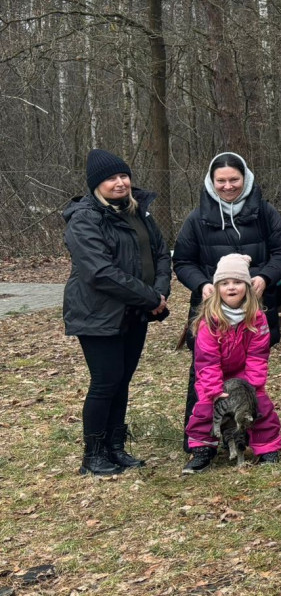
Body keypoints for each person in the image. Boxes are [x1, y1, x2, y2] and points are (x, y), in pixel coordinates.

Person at [173, 152, 281, 451]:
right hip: (212, 309)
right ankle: (200, 443)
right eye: (221, 181)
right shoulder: (197, 218)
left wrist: (266, 276)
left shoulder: (265, 213)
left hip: (253, 308)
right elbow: (183, 261)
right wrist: (202, 284)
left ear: (246, 179)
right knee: (205, 374)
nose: (228, 186)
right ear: (211, 181)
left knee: (251, 375)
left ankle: (249, 437)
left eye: (234, 180)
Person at [63, 149, 171, 475]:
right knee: (105, 381)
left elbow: (160, 253)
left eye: (123, 175)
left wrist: (160, 291)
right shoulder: (84, 219)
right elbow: (100, 272)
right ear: (96, 184)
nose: (120, 182)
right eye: (111, 178)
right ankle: (93, 455)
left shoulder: (138, 212)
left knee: (122, 380)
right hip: (97, 313)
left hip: (134, 312)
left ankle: (115, 447)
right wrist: (150, 297)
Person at [183, 254, 281, 473]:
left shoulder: (257, 318)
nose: (231, 287)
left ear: (247, 287)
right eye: (225, 283)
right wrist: (214, 389)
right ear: (216, 288)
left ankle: (267, 447)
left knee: (261, 407)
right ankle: (202, 450)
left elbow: (258, 355)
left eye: (237, 282)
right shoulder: (209, 320)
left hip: (243, 376)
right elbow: (207, 359)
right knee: (204, 409)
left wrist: (252, 386)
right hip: (213, 376)